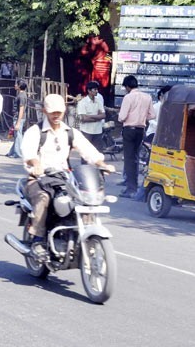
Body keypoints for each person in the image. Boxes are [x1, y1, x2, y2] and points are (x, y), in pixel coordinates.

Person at [20, 94, 114, 258]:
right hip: (39, 179)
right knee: (44, 198)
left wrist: (102, 164)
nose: (56, 116)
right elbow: (28, 153)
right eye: (52, 112)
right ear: (44, 111)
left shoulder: (70, 132)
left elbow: (88, 150)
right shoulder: (35, 132)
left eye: (59, 112)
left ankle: (80, 233)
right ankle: (38, 239)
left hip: (63, 178)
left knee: (82, 198)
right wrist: (36, 165)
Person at [116, 75, 155, 197]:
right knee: (136, 158)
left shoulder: (128, 97)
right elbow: (152, 115)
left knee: (128, 159)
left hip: (129, 129)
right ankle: (135, 185)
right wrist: (142, 117)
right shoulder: (147, 97)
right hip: (141, 130)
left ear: (127, 86)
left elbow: (121, 117)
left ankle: (130, 188)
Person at [76, 81, 106, 148]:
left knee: (97, 153)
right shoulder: (82, 102)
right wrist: (98, 117)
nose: (96, 91)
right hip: (86, 131)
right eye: (95, 89)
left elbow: (103, 115)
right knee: (85, 153)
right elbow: (84, 118)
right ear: (89, 90)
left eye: (97, 89)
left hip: (97, 131)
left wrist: (90, 116)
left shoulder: (99, 101)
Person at [6, 81, 29, 158]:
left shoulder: (21, 96)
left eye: (16, 84)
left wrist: (18, 122)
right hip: (18, 117)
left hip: (19, 118)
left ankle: (18, 153)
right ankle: (12, 152)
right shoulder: (20, 95)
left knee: (18, 135)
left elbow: (21, 109)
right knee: (16, 135)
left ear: (19, 86)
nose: (15, 85)